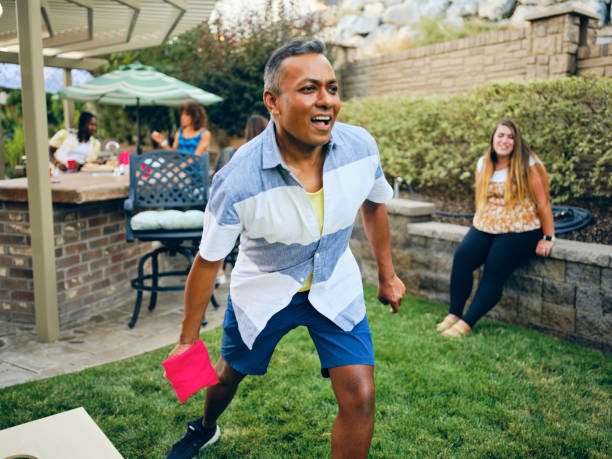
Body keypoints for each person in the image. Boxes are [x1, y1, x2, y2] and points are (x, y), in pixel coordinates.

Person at [166, 39, 406, 459]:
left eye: (331, 88)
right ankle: (205, 427)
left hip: (334, 283)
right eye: (309, 89)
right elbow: (208, 262)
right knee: (227, 376)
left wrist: (387, 275)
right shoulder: (237, 179)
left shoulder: (360, 147)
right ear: (272, 101)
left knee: (361, 396)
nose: (326, 100)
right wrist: (188, 339)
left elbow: (374, 204)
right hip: (264, 292)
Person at [436, 119, 555, 338]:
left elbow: (543, 202)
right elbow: (481, 199)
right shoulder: (484, 163)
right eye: (500, 135)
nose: (505, 140)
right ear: (493, 138)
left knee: (493, 268)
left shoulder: (528, 163)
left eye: (511, 136)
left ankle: (467, 323)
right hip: (488, 225)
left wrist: (548, 236)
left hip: (521, 228)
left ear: (517, 141)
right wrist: (479, 223)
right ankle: (454, 314)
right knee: (462, 258)